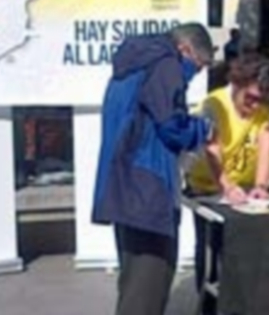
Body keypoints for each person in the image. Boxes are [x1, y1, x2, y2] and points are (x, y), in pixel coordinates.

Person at [91, 23, 215, 315]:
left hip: (124, 186)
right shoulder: (165, 65)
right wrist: (203, 128)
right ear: (185, 49)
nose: (195, 75)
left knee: (134, 284)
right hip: (148, 189)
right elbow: (172, 127)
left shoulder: (137, 63)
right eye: (198, 66)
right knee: (149, 287)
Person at [185, 53, 269, 315]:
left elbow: (266, 143)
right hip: (207, 185)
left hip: (245, 186)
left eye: (260, 100)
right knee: (210, 248)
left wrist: (261, 185)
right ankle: (207, 307)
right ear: (238, 83)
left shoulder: (266, 105)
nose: (254, 105)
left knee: (245, 251)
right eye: (250, 98)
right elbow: (212, 149)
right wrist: (227, 187)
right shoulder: (214, 104)